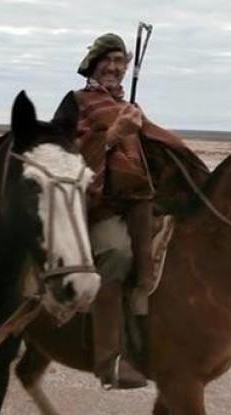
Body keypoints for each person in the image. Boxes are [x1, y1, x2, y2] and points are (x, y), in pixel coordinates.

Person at [70, 32, 164, 389]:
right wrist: (111, 134)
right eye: (106, 61)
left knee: (158, 252)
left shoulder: (128, 106)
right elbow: (71, 154)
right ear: (93, 64)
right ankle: (109, 360)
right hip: (95, 205)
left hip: (135, 204)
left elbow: (147, 152)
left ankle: (146, 345)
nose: (113, 67)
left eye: (119, 61)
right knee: (117, 253)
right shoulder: (78, 101)